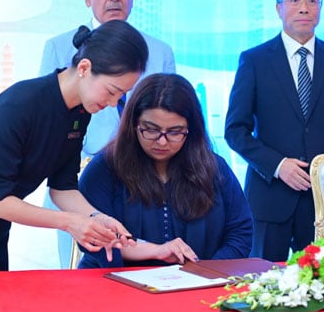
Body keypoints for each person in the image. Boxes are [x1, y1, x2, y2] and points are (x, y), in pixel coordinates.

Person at [0, 19, 148, 312]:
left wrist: (97, 217)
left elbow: (62, 187)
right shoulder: (20, 104)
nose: (111, 104)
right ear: (85, 68)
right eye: (111, 91)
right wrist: (70, 223)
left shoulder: (80, 113)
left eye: (120, 96)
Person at [39, 0, 176, 268]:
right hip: (77, 182)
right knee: (81, 275)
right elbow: (49, 121)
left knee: (145, 268)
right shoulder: (60, 48)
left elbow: (171, 117)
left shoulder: (160, 51)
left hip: (145, 185)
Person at [224, 0, 324, 261]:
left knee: (323, 280)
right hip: (269, 197)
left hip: (322, 201)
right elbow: (235, 131)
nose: (304, 8)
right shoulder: (255, 60)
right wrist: (278, 165)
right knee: (262, 279)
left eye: (313, 0)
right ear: (279, 8)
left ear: (320, 8)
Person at [78, 73, 253, 268]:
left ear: (191, 130)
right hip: (115, 281)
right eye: (151, 130)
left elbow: (240, 232)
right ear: (133, 124)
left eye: (174, 132)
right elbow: (94, 239)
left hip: (202, 280)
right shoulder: (105, 169)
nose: (162, 142)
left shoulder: (214, 168)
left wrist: (206, 271)